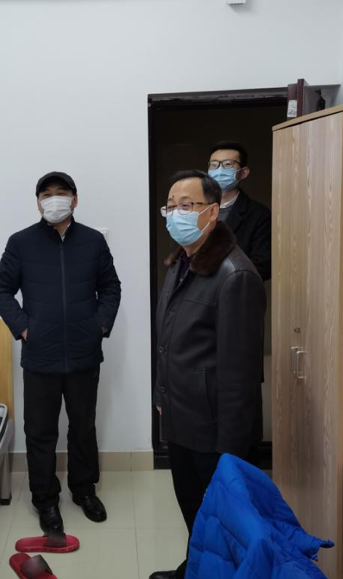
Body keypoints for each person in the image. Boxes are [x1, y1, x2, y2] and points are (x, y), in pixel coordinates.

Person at [0, 171, 122, 534]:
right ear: (38, 203)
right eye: (46, 194)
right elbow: (0, 288)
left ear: (75, 199)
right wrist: (24, 327)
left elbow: (111, 287)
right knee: (40, 432)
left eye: (61, 192)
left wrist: (100, 326)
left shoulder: (93, 241)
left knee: (83, 427)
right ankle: (45, 499)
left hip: (83, 353)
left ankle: (84, 490)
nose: (53, 199)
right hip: (40, 356)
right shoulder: (21, 242)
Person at [150, 170, 266, 579]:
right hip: (182, 417)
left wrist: (229, 452)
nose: (176, 214)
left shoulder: (235, 275)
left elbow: (240, 375)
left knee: (221, 519)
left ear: (213, 212)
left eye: (187, 205)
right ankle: (193, 569)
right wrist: (162, 399)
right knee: (195, 512)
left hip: (214, 431)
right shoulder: (181, 263)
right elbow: (171, 343)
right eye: (171, 206)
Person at [207, 141, 271, 281]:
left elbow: (263, 266)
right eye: (214, 164)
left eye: (228, 164)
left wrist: (220, 279)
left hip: (236, 290)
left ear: (243, 173)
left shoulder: (259, 215)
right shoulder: (197, 208)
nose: (219, 170)